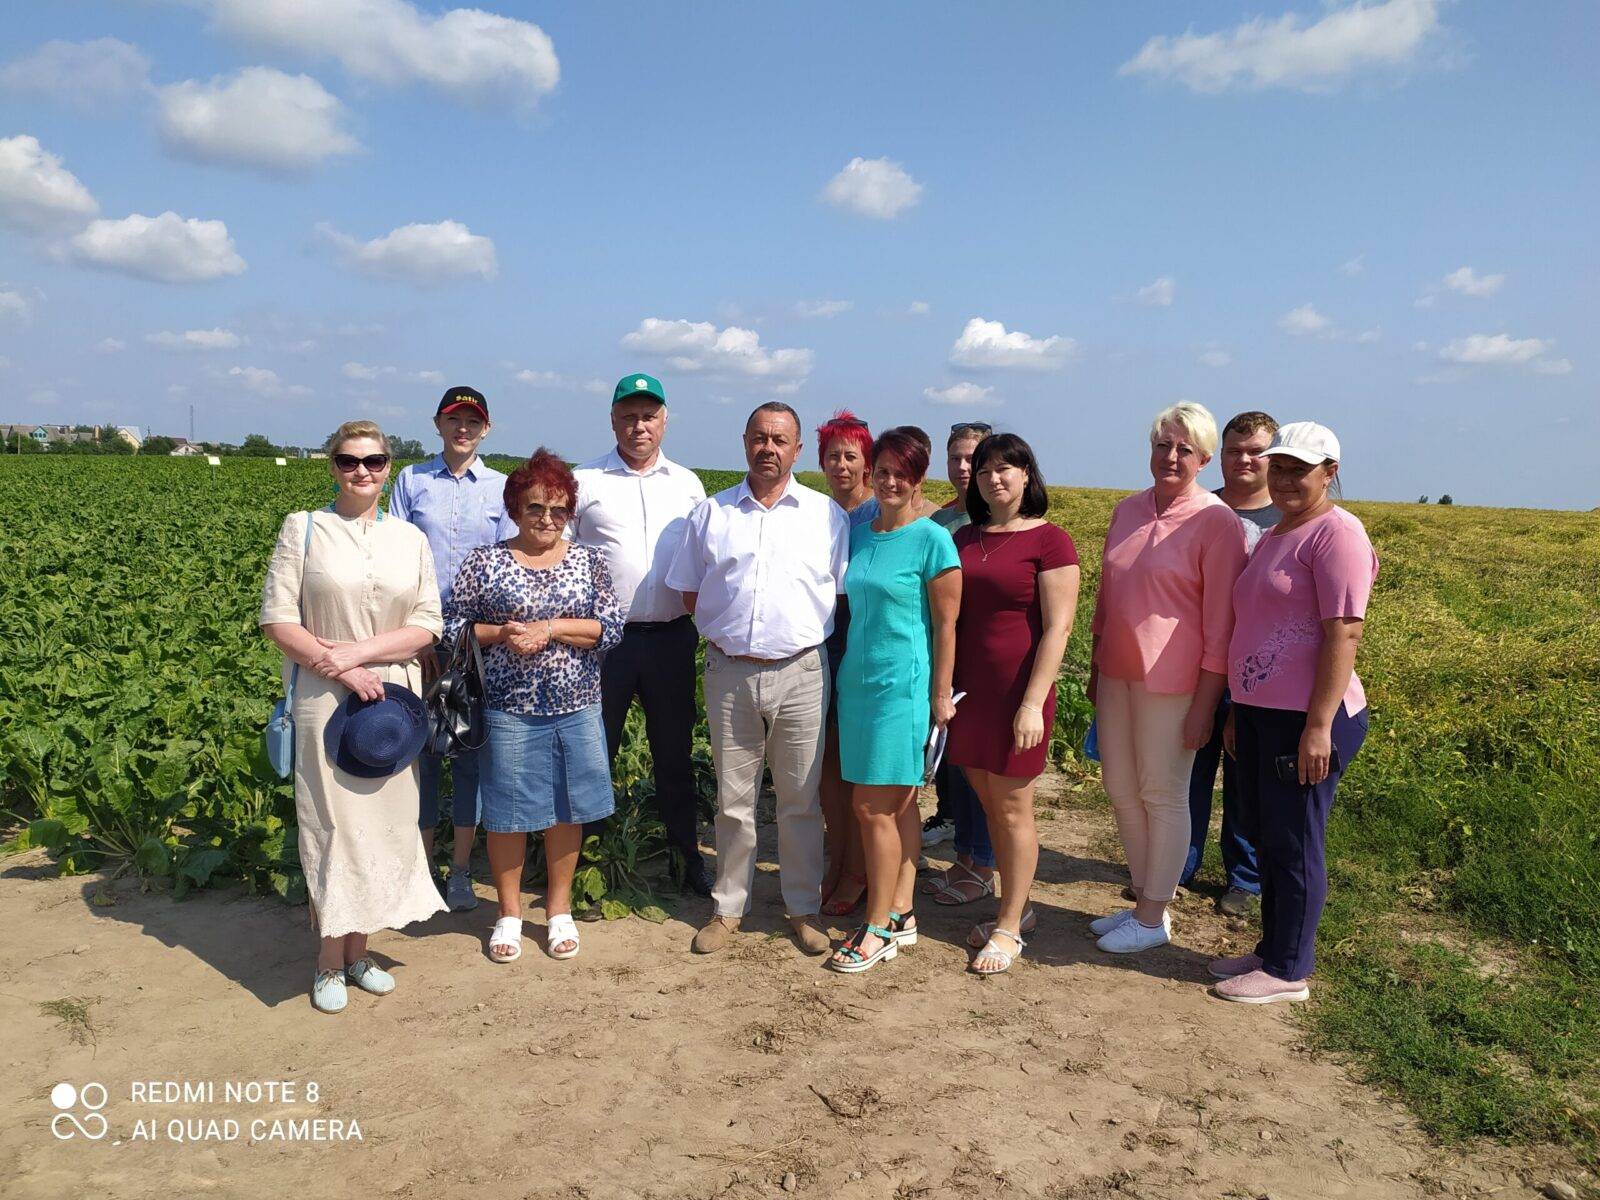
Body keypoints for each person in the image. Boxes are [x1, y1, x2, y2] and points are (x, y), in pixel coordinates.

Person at [260, 420, 447, 1015]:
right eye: (349, 460)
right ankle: (327, 961)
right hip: (325, 698)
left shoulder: (409, 539)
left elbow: (428, 624)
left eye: (373, 461)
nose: (361, 471)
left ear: (389, 466)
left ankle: (361, 953)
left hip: (393, 705)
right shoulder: (304, 529)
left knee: (385, 827)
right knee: (331, 827)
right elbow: (277, 620)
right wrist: (338, 668)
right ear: (333, 465)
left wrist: (359, 655)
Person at [666, 402, 848, 957]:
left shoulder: (825, 516)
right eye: (759, 437)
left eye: (780, 439)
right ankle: (728, 908)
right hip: (730, 671)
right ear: (745, 441)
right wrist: (732, 633)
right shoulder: (712, 513)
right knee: (733, 799)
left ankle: (803, 907)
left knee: (800, 800)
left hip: (801, 671)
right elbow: (690, 590)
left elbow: (837, 591)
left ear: (797, 450)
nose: (768, 448)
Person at [1213, 421, 1376, 1003]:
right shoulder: (1280, 532)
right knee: (1266, 833)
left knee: (1295, 841)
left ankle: (1288, 970)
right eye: (1277, 466)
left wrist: (1318, 726)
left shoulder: (1338, 534)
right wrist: (1239, 709)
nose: (1283, 478)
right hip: (1261, 711)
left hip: (1305, 717)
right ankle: (1272, 949)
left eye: (1298, 470)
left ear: (1330, 473)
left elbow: (1344, 633)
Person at [442, 450, 625, 963]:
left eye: (559, 509)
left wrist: (552, 629)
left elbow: (611, 627)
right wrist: (501, 633)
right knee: (507, 812)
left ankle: (559, 909)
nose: (548, 518)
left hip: (577, 704)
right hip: (508, 707)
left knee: (569, 807)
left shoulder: (589, 561)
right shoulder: (485, 561)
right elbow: (453, 627)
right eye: (536, 507)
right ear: (515, 508)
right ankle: (508, 913)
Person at [1088, 403, 1248, 954]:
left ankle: (1154, 915)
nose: (1171, 457)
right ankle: (1142, 899)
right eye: (1163, 445)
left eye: (1185, 449)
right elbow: (1107, 598)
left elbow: (1221, 625)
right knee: (1120, 788)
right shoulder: (1128, 510)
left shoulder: (1216, 522)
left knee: (1163, 793)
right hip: (1118, 673)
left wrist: (1206, 703)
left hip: (1175, 683)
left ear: (1204, 459)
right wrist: (1095, 667)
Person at [569, 373, 710, 897]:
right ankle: (589, 861)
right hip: (604, 642)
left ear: (664, 421)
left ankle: (685, 856)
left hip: (671, 637)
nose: (639, 426)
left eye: (649, 416)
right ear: (613, 421)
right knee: (594, 751)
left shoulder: (687, 484)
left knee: (674, 753)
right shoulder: (585, 481)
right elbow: (560, 554)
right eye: (628, 416)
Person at [826, 429, 961, 973]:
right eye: (881, 471)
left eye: (900, 473)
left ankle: (877, 926)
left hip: (902, 691)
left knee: (871, 807)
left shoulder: (933, 540)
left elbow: (947, 626)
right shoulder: (862, 535)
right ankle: (902, 913)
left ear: (918, 478)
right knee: (899, 805)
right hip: (857, 686)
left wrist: (940, 695)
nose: (889, 481)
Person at [943, 434, 1079, 974]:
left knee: (1013, 809)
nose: (993, 479)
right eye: (984, 471)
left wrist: (1032, 703)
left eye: (1005, 468)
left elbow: (1058, 628)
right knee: (989, 803)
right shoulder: (964, 538)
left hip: (1017, 695)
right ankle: (1017, 908)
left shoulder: (1051, 540)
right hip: (969, 694)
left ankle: (1008, 928)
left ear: (1026, 474)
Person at [388, 386, 519, 911]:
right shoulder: (411, 480)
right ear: (438, 425)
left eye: (472, 421)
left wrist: (479, 638)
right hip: (419, 640)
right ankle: (422, 870)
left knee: (466, 755)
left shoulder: (502, 487)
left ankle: (461, 870)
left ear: (486, 429)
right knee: (421, 756)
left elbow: (507, 564)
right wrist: (413, 634)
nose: (463, 429)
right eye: (453, 420)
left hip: (477, 644)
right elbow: (395, 558)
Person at [1181, 411, 1281, 916]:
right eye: (1234, 451)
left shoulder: (1286, 517)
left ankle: (1244, 878)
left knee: (1245, 778)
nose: (1244, 460)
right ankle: (1177, 865)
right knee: (1188, 769)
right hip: (1195, 662)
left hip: (1256, 669)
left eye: (1256, 451)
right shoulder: (1198, 508)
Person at [919, 421, 993, 875]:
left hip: (981, 655)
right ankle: (954, 827)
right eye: (955, 458)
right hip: (942, 650)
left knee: (977, 762)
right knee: (948, 751)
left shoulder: (1000, 520)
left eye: (973, 458)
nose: (963, 467)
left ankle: (979, 857)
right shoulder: (938, 521)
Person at [814, 409, 875, 917]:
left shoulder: (878, 516)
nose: (841, 465)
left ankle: (861, 870)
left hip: (866, 644)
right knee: (829, 766)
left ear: (867, 463)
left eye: (850, 456)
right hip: (825, 644)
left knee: (860, 770)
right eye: (832, 456)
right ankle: (838, 861)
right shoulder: (818, 514)